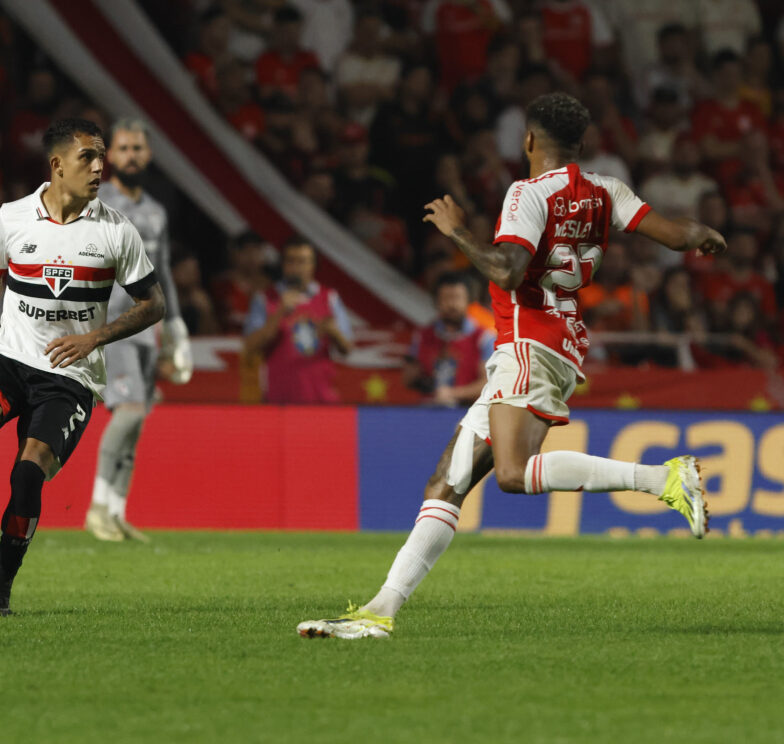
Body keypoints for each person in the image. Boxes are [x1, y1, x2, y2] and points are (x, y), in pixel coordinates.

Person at [297, 92, 725, 640]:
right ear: (581, 143)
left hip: (529, 341)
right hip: (557, 343)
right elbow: (675, 232)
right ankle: (380, 611)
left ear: (528, 141)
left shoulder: (527, 193)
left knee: (512, 473)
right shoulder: (605, 191)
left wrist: (455, 229)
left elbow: (504, 270)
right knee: (445, 482)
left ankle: (662, 477)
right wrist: (703, 237)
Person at [0, 118, 166, 616]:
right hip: (9, 356)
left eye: (101, 158)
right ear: (57, 165)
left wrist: (95, 337)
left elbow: (152, 304)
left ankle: (0, 590)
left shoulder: (116, 230)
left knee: (28, 475)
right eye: (88, 157)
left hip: (69, 379)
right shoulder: (12, 218)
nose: (99, 167)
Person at [85, 118, 192, 542]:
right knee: (127, 412)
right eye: (124, 148)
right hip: (113, 323)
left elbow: (162, 270)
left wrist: (178, 324)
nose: (131, 155)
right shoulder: (96, 202)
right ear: (110, 156)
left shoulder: (155, 211)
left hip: (149, 327)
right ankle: (95, 507)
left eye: (138, 148)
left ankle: (116, 512)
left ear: (148, 155)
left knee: (138, 418)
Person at [243, 236, 354, 403]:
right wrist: (279, 312)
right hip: (278, 401)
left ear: (313, 265)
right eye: (291, 261)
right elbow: (249, 347)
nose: (296, 268)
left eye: (303, 261)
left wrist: (333, 332)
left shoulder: (330, 298)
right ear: (283, 265)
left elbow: (347, 348)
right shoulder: (265, 299)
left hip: (321, 401)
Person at [404, 273, 491, 407]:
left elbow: (489, 383)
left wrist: (453, 394)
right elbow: (409, 378)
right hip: (428, 413)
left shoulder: (484, 338)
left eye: (457, 298)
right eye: (446, 298)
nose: (452, 304)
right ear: (436, 301)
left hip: (470, 413)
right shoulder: (422, 336)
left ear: (468, 300)